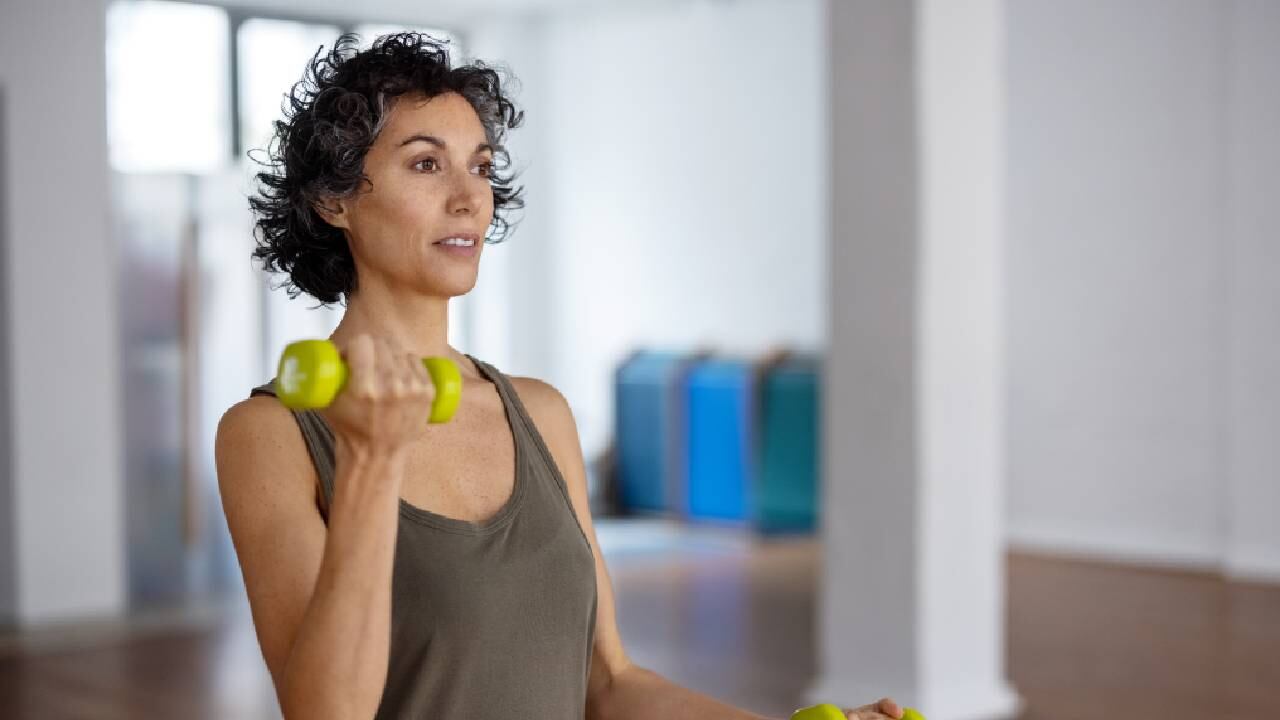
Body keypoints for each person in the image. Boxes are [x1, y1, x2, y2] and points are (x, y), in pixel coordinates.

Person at [214, 31, 902, 720]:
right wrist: (372, 461)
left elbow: (609, 683)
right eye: (426, 165)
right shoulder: (271, 435)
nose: (469, 199)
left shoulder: (539, 413)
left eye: (480, 168)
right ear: (333, 201)